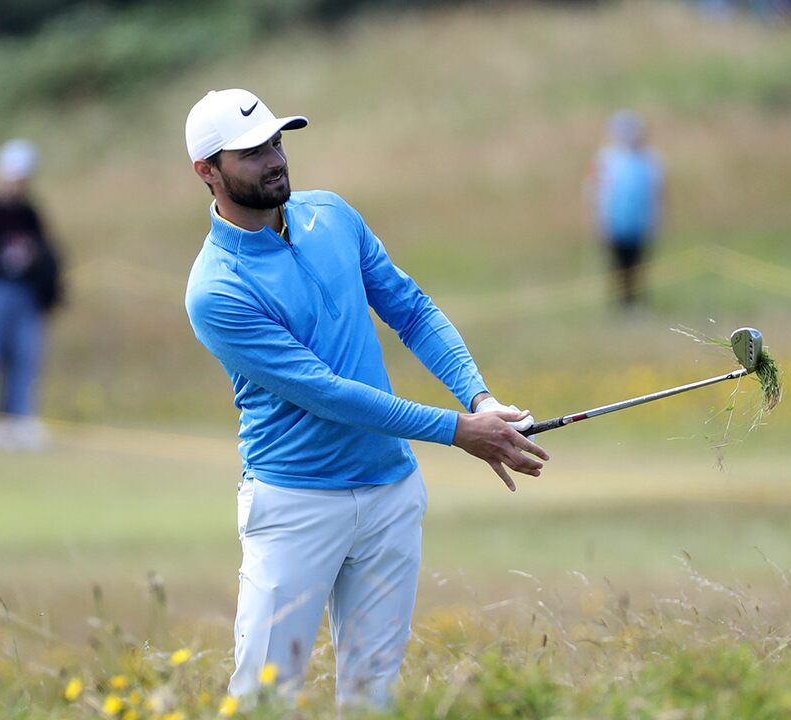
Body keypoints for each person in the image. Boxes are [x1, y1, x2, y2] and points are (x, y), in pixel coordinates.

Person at [182, 89, 550, 708]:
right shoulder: (216, 289)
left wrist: (479, 399)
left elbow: (411, 310)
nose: (275, 158)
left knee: (373, 696)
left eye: (277, 141)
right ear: (208, 171)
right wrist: (459, 431)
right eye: (252, 152)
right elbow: (325, 393)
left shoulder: (334, 215)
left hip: (389, 490)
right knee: (263, 698)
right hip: (295, 503)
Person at [0, 139, 63, 449]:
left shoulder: (29, 212)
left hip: (25, 293)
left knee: (25, 355)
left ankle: (13, 420)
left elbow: (41, 248)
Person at [588, 111, 665, 308]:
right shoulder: (606, 159)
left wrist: (657, 220)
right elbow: (595, 191)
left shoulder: (650, 160)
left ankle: (636, 305)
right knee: (616, 267)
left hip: (640, 224)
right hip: (614, 223)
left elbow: (657, 192)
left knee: (638, 266)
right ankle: (620, 305)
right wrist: (599, 221)